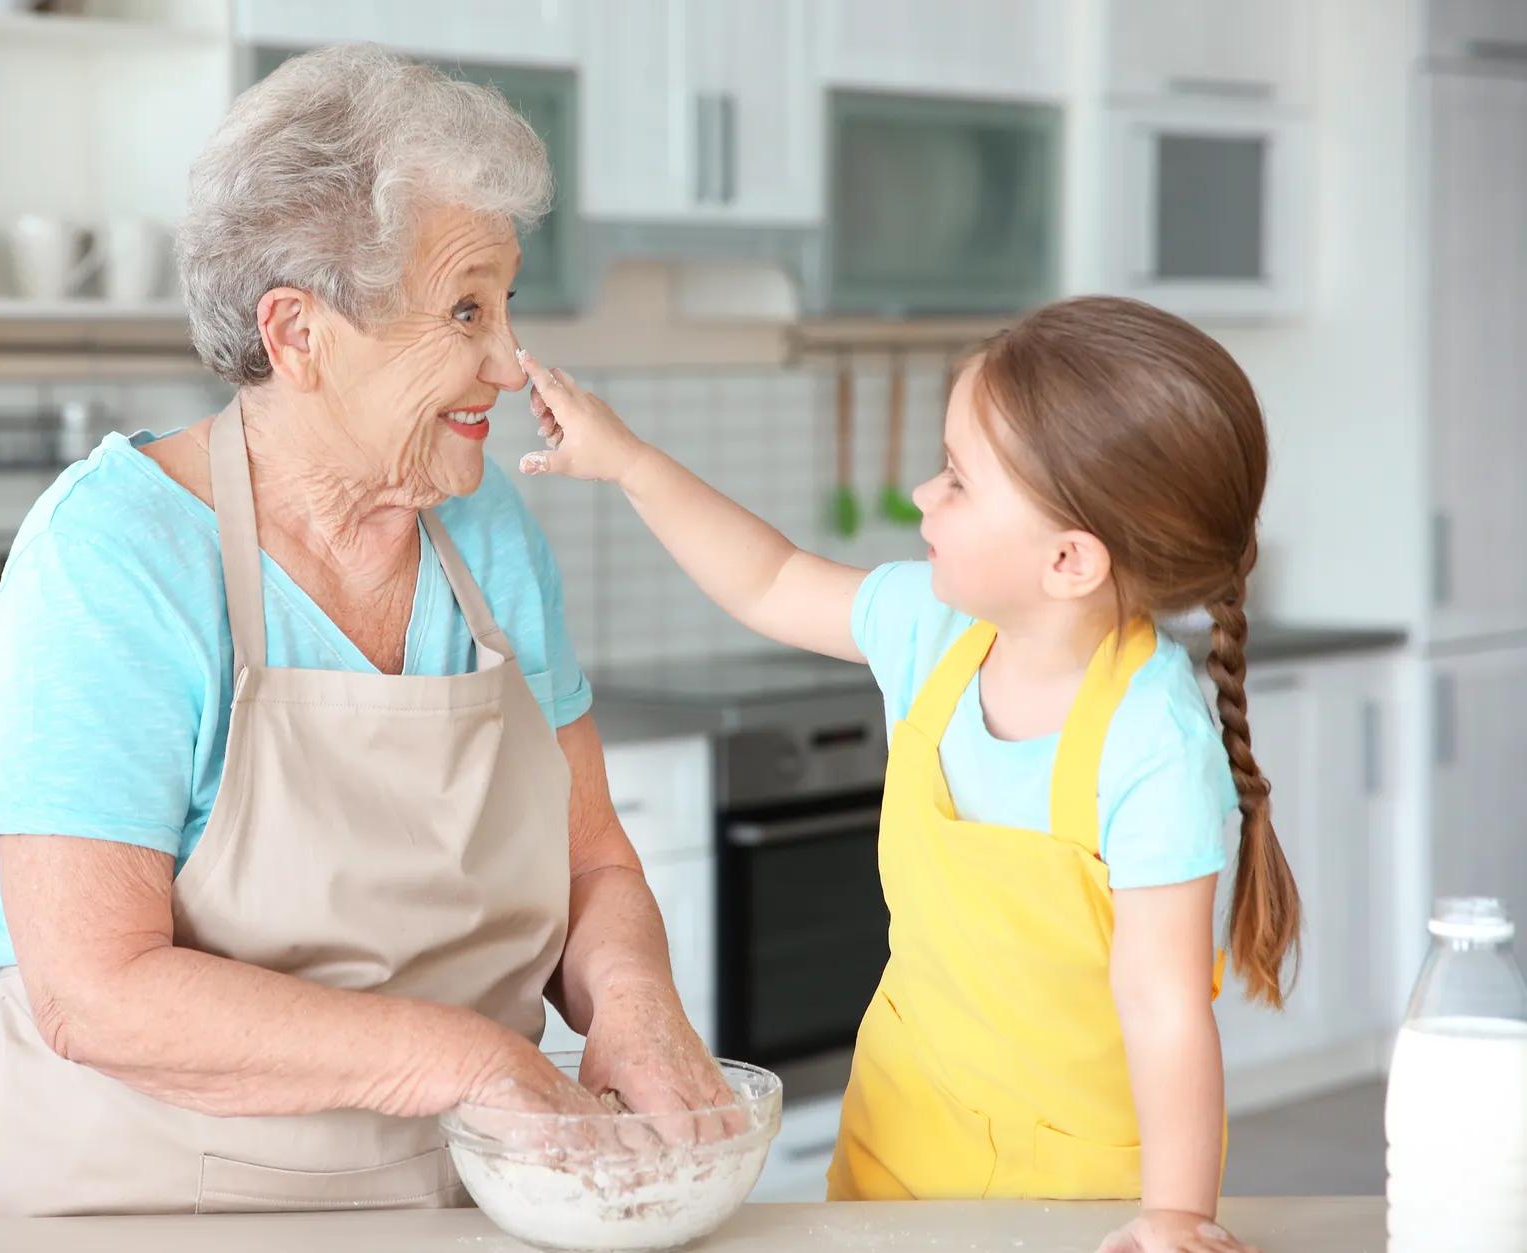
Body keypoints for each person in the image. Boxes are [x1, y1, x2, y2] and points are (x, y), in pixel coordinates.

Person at [0, 44, 726, 1219]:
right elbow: (94, 992)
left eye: (505, 305)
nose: (510, 363)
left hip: (456, 1196)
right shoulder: (112, 560)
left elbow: (590, 860)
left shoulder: (487, 529)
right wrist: (471, 1060)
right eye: (465, 309)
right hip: (143, 1212)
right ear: (297, 334)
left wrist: (635, 1004)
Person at [516, 295, 1300, 1253]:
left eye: (959, 482)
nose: (924, 497)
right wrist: (630, 461)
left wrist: (1175, 1218)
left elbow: (1165, 1008)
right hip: (900, 1141)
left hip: (1083, 1190)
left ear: (1068, 559)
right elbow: (767, 579)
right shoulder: (933, 633)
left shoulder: (1154, 745)